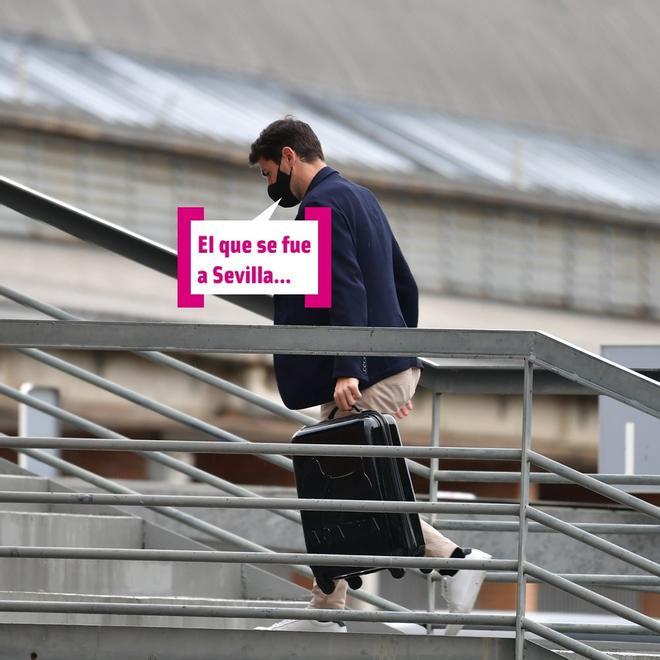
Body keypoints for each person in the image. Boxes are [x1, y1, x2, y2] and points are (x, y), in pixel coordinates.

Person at [249, 117, 490, 635]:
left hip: (358, 370)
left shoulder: (319, 205)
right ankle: (329, 604)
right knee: (340, 486)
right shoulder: (361, 197)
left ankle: (454, 560)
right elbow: (406, 284)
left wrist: (351, 369)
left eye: (271, 172)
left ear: (289, 157)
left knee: (343, 488)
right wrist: (399, 362)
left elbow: (345, 286)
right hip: (381, 366)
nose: (272, 187)